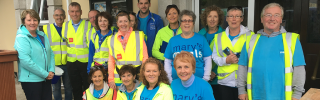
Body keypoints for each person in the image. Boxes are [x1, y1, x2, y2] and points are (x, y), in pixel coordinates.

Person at [237, 3, 306, 100]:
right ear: (262, 19)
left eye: (276, 15)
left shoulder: (292, 39)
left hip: (283, 96)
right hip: (256, 95)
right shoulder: (250, 40)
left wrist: (297, 94)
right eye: (268, 15)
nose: (272, 18)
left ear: (281, 19)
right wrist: (241, 90)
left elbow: (299, 69)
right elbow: (242, 67)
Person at [211, 5, 254, 100]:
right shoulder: (218, 37)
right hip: (224, 83)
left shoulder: (251, 36)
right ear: (227, 18)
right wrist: (226, 60)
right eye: (231, 16)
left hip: (245, 82)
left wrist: (239, 59)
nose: (234, 19)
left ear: (242, 19)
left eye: (237, 16)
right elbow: (214, 57)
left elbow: (255, 58)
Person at [14, 9, 55, 100]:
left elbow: (51, 53)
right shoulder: (22, 38)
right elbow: (25, 61)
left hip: (46, 78)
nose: (32, 23)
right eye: (29, 20)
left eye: (35, 20)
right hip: (31, 80)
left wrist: (51, 70)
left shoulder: (42, 35)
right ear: (24, 21)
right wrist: (45, 74)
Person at [164, 10, 212, 83]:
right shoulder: (173, 40)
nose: (187, 23)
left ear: (193, 24)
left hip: (198, 81)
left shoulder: (201, 39)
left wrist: (205, 78)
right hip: (177, 81)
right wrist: (169, 79)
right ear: (180, 24)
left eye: (190, 20)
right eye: (184, 20)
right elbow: (167, 61)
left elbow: (208, 59)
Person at [107, 11, 148, 90]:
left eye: (126, 21)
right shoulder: (111, 39)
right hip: (119, 78)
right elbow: (111, 61)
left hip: (137, 76)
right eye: (120, 21)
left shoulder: (138, 36)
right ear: (117, 24)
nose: (123, 24)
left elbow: (145, 57)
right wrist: (111, 79)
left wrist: (144, 75)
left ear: (130, 22)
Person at [61, 2, 92, 100]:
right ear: (69, 13)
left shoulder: (88, 24)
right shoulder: (65, 25)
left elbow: (91, 44)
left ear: (81, 12)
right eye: (72, 11)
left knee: (88, 86)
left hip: (85, 62)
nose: (75, 14)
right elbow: (65, 42)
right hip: (71, 62)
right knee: (75, 87)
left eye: (77, 11)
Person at [43, 8, 73, 100]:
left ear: (64, 16)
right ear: (53, 16)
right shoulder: (46, 28)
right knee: (56, 88)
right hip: (54, 65)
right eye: (56, 15)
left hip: (67, 63)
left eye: (61, 15)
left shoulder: (69, 27)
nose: (59, 17)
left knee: (68, 88)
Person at [198, 5, 225, 99]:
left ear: (219, 19)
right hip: (203, 78)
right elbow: (197, 57)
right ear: (205, 18)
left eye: (215, 16)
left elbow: (225, 58)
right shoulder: (199, 34)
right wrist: (206, 72)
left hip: (218, 79)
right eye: (209, 16)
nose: (212, 19)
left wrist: (213, 72)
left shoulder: (224, 35)